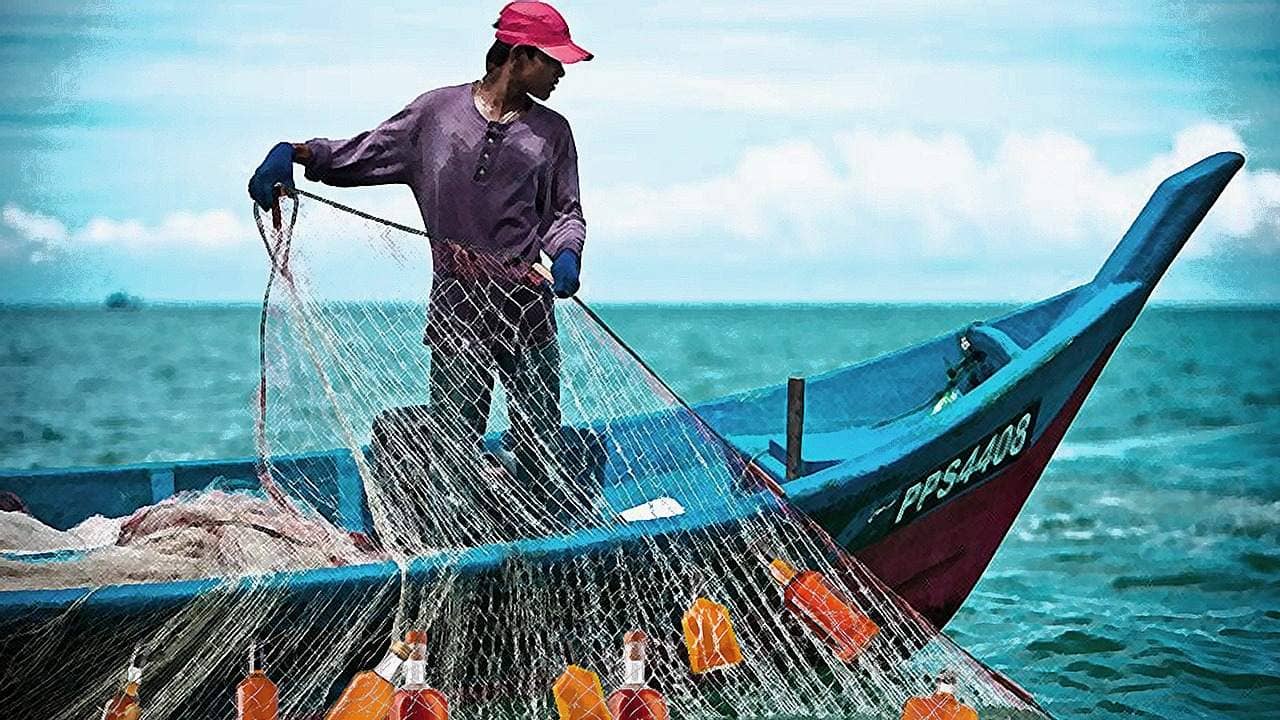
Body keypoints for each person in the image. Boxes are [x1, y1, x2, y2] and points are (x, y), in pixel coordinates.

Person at [247, 1, 592, 512]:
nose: (562, 72)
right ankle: (462, 537)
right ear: (518, 56)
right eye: (552, 60)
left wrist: (566, 254)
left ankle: (534, 532)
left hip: (528, 309)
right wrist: (295, 154)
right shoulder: (435, 115)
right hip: (457, 308)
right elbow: (362, 152)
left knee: (539, 446)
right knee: (454, 448)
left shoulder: (554, 133)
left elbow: (566, 211)